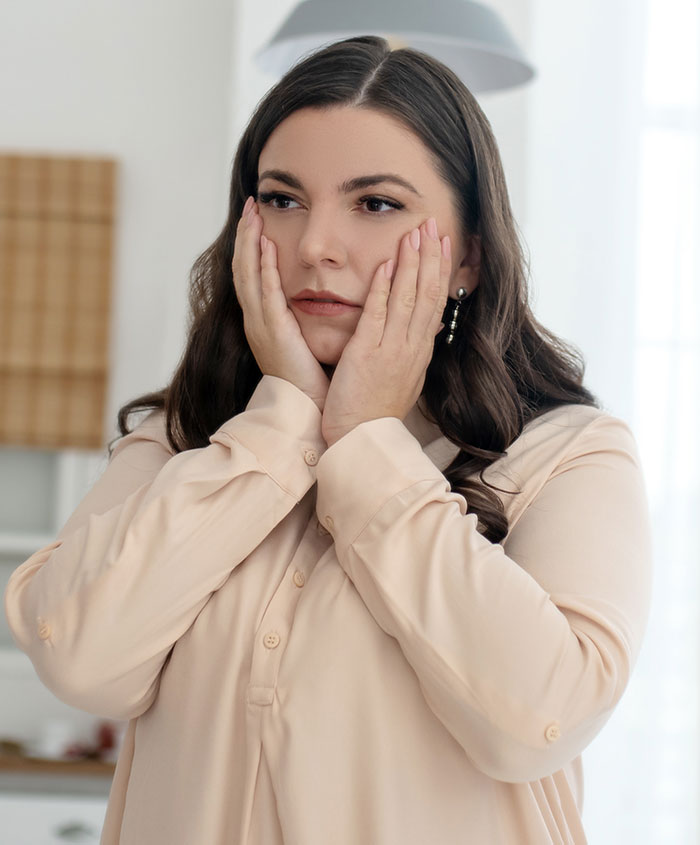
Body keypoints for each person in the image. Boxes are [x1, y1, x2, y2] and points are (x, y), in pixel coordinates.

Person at [4, 35, 652, 844]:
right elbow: (78, 660)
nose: (314, 246)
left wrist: (367, 441)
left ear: (470, 258)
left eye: (375, 204)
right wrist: (282, 423)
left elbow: (539, 720)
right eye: (282, 199)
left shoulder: (570, 458)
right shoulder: (183, 441)